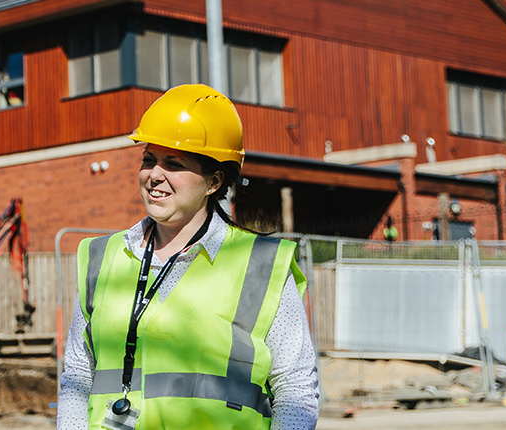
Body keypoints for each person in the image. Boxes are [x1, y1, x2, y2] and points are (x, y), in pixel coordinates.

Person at [58, 84, 320, 429]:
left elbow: (296, 390)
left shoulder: (260, 265)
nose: (154, 175)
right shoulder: (103, 257)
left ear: (213, 181)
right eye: (148, 160)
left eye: (173, 163)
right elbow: (77, 374)